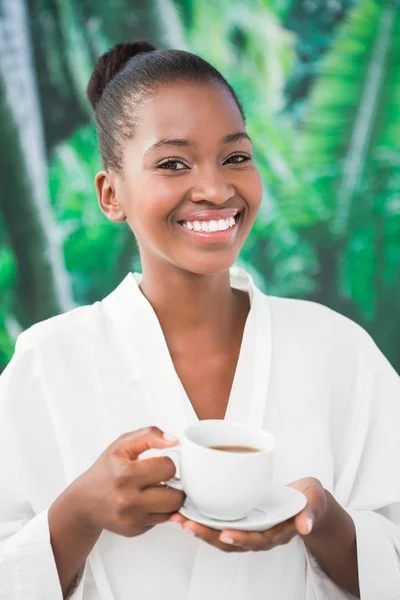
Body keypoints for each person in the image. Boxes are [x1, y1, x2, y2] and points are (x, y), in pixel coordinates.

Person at [0, 41, 399, 600]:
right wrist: (78, 513)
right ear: (110, 194)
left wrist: (324, 519)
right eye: (172, 164)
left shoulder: (337, 350)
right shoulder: (48, 361)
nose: (215, 189)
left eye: (235, 156)